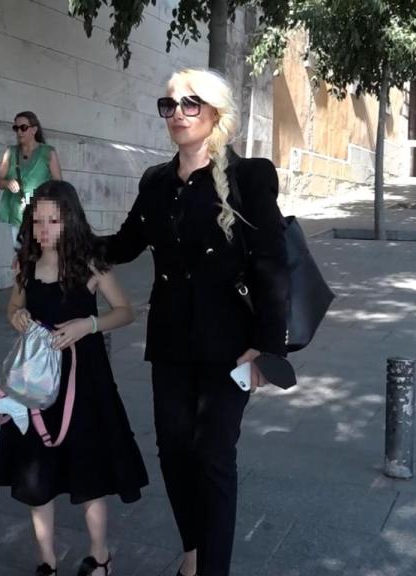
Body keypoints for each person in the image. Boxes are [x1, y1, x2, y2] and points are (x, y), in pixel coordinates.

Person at [102, 68, 289, 576]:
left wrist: (268, 348)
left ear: (214, 113)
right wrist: (58, 239)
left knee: (213, 456)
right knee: (172, 452)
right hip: (170, 342)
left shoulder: (249, 177)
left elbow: (272, 264)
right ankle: (194, 552)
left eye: (191, 104)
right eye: (169, 106)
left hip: (232, 346)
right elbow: (122, 245)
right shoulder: (157, 183)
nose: (179, 114)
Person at [0, 181, 148, 576]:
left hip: (85, 381)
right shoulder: (25, 263)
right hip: (35, 384)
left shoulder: (91, 264)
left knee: (89, 470)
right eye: (38, 220)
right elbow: (14, 303)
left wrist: (88, 324)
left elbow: (125, 311)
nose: (44, 229)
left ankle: (100, 555)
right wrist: (17, 316)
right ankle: (46, 559)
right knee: (35, 473)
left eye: (53, 220)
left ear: (70, 221)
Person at [0, 111, 63, 247]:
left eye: (23, 127)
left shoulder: (48, 152)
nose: (19, 131)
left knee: (39, 256)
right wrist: (7, 183)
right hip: (17, 213)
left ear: (34, 129)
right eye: (16, 128)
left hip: (42, 215)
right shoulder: (11, 152)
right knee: (20, 257)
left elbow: (59, 185)